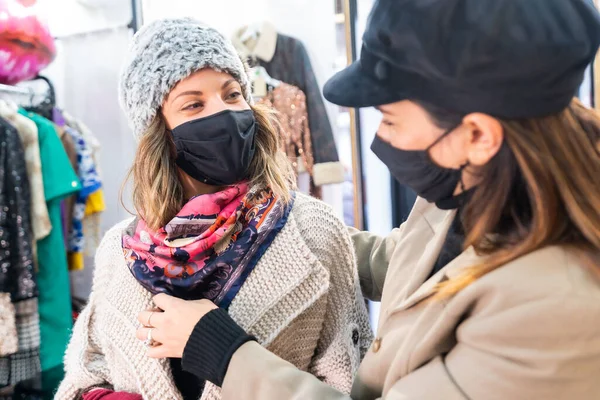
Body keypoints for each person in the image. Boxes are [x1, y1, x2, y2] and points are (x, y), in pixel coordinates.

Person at [135, 0, 600, 399]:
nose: (380, 137)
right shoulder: (475, 186)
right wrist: (287, 229)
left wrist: (224, 351)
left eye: (391, 119)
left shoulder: (556, 310)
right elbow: (412, 263)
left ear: (476, 134)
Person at [54, 19, 373, 400]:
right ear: (159, 132)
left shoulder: (312, 229)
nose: (222, 113)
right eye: (193, 103)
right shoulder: (119, 250)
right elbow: (86, 368)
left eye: (233, 94)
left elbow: (349, 381)